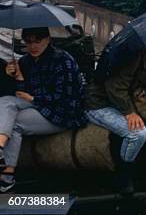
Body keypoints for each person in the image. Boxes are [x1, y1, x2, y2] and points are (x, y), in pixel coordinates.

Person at [86, 26, 146, 195]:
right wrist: (129, 112)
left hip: (127, 100)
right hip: (100, 104)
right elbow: (115, 87)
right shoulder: (131, 52)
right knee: (137, 133)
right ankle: (123, 176)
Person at [0, 27, 87, 193]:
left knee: (16, 121)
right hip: (38, 106)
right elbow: (21, 93)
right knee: (5, 101)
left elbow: (65, 98)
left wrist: (33, 99)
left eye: (37, 41)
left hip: (63, 113)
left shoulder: (63, 60)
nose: (33, 46)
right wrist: (16, 76)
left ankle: (7, 175)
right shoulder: (25, 61)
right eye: (28, 42)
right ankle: (0, 147)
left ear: (48, 39)